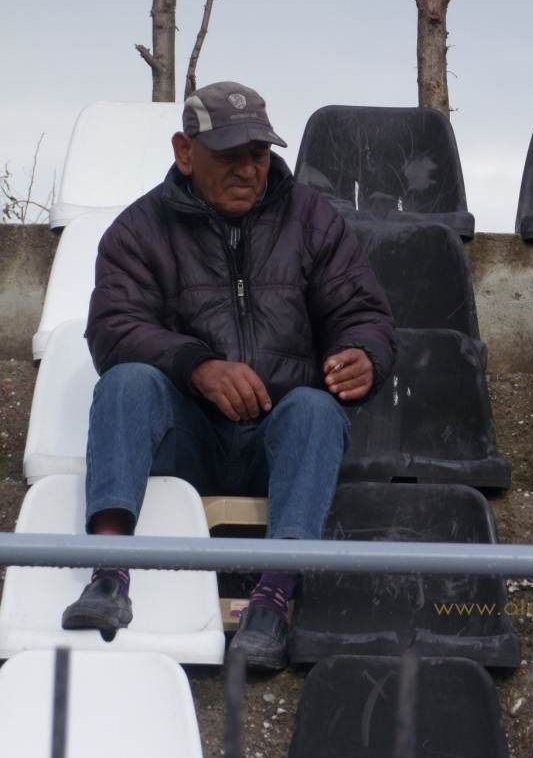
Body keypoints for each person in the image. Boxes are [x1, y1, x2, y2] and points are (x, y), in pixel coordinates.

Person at [60, 81, 395, 670]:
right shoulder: (138, 229)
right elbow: (113, 329)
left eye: (258, 154)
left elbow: (362, 313)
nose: (248, 170)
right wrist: (197, 367)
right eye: (229, 155)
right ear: (184, 152)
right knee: (125, 383)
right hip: (184, 442)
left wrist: (364, 353)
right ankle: (108, 573)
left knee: (316, 409)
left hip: (277, 440)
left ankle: (272, 601)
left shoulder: (313, 218)